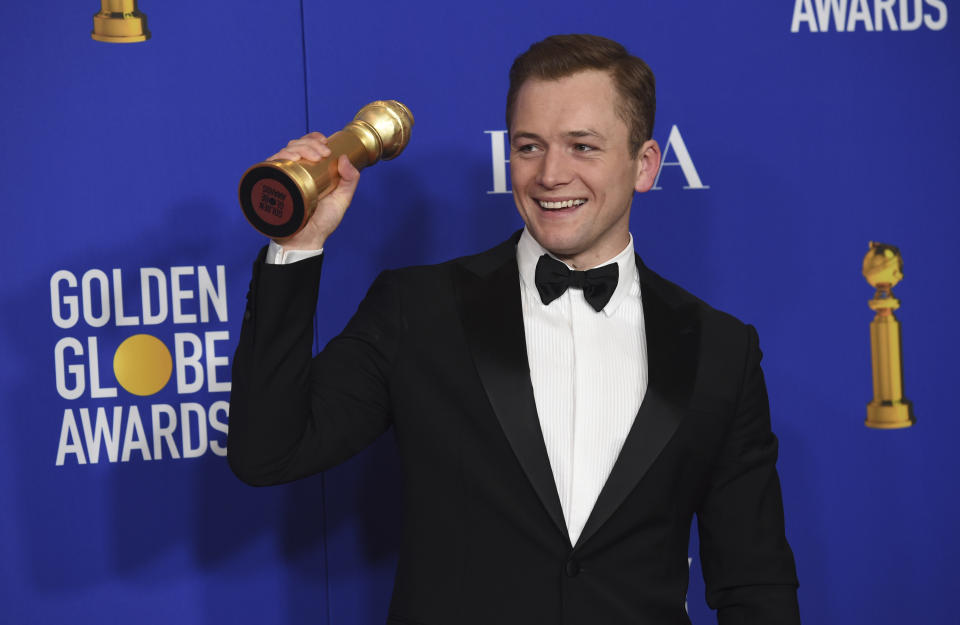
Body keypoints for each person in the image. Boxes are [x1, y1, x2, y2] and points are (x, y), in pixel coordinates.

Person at [228, 34, 800, 625]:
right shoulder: (417, 310)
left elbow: (756, 585)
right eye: (530, 147)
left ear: (645, 165)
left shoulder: (721, 351)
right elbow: (267, 453)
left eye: (583, 147)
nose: (552, 174)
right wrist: (298, 245)